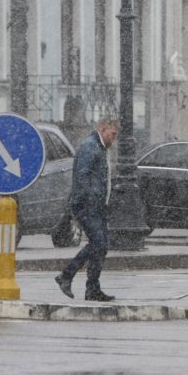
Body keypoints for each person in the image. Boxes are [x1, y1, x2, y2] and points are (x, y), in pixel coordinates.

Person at [54, 116, 119, 302]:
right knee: (99, 243)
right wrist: (92, 200)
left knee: (102, 245)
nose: (113, 139)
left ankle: (92, 289)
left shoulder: (99, 147)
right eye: (112, 134)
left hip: (96, 206)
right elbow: (82, 177)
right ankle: (66, 276)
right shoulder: (90, 147)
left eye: (115, 135)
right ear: (102, 128)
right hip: (87, 206)